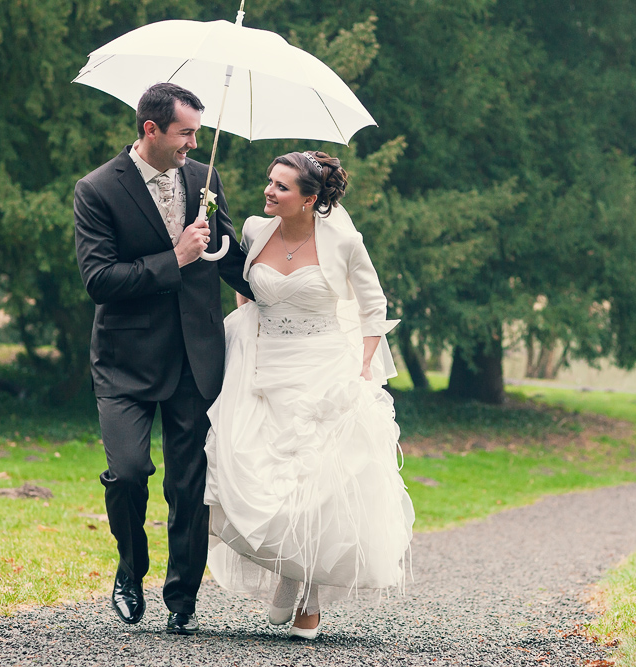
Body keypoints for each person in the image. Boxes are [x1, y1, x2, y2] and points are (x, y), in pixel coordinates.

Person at [204, 150, 414, 640]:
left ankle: (309, 596)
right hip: (259, 364)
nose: (268, 191)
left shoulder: (344, 241)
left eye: (281, 186)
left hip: (320, 368)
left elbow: (373, 303)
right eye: (269, 182)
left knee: (315, 485)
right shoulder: (256, 229)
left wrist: (363, 364)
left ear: (309, 199)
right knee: (254, 471)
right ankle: (288, 573)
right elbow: (249, 288)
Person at [74, 83, 253, 635]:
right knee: (127, 474)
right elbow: (99, 280)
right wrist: (172, 257)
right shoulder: (98, 189)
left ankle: (183, 598)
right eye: (185, 133)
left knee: (190, 485)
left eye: (198, 133)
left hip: (197, 358)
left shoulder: (204, 178)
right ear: (150, 129)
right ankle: (130, 570)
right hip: (125, 361)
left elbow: (224, 253)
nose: (193, 144)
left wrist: (282, 288)